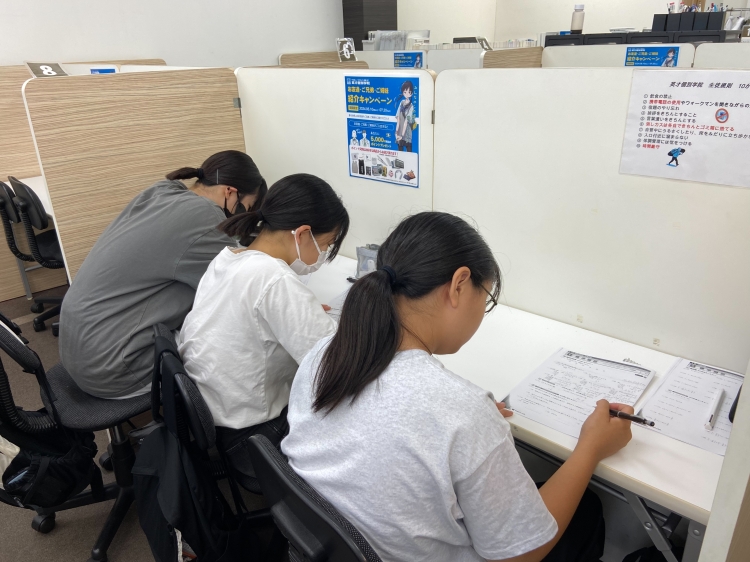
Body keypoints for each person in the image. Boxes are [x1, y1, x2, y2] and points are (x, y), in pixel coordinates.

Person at [283, 212, 633, 562]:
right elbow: (520, 556)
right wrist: (591, 448)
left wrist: (465, 421)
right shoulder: (462, 412)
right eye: (487, 297)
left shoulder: (325, 353)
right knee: (586, 510)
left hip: (328, 549)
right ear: (459, 284)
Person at [177, 173, 349, 487]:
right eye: (326, 245)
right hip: (252, 437)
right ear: (303, 234)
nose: (324, 255)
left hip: (213, 414)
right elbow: (335, 365)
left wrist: (304, 311)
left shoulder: (229, 258)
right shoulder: (274, 279)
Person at [60, 150, 266, 399]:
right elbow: (244, 288)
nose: (241, 215)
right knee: (230, 338)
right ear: (230, 192)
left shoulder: (163, 190)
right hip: (111, 365)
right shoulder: (206, 217)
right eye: (245, 207)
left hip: (77, 344)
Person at [395, 80, 416, 152]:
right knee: (400, 151)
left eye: (409, 92)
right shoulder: (401, 103)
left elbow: (406, 122)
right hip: (400, 130)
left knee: (408, 150)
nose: (407, 94)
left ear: (411, 93)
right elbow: (398, 119)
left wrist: (402, 135)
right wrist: (396, 132)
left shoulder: (411, 106)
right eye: (405, 92)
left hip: (407, 132)